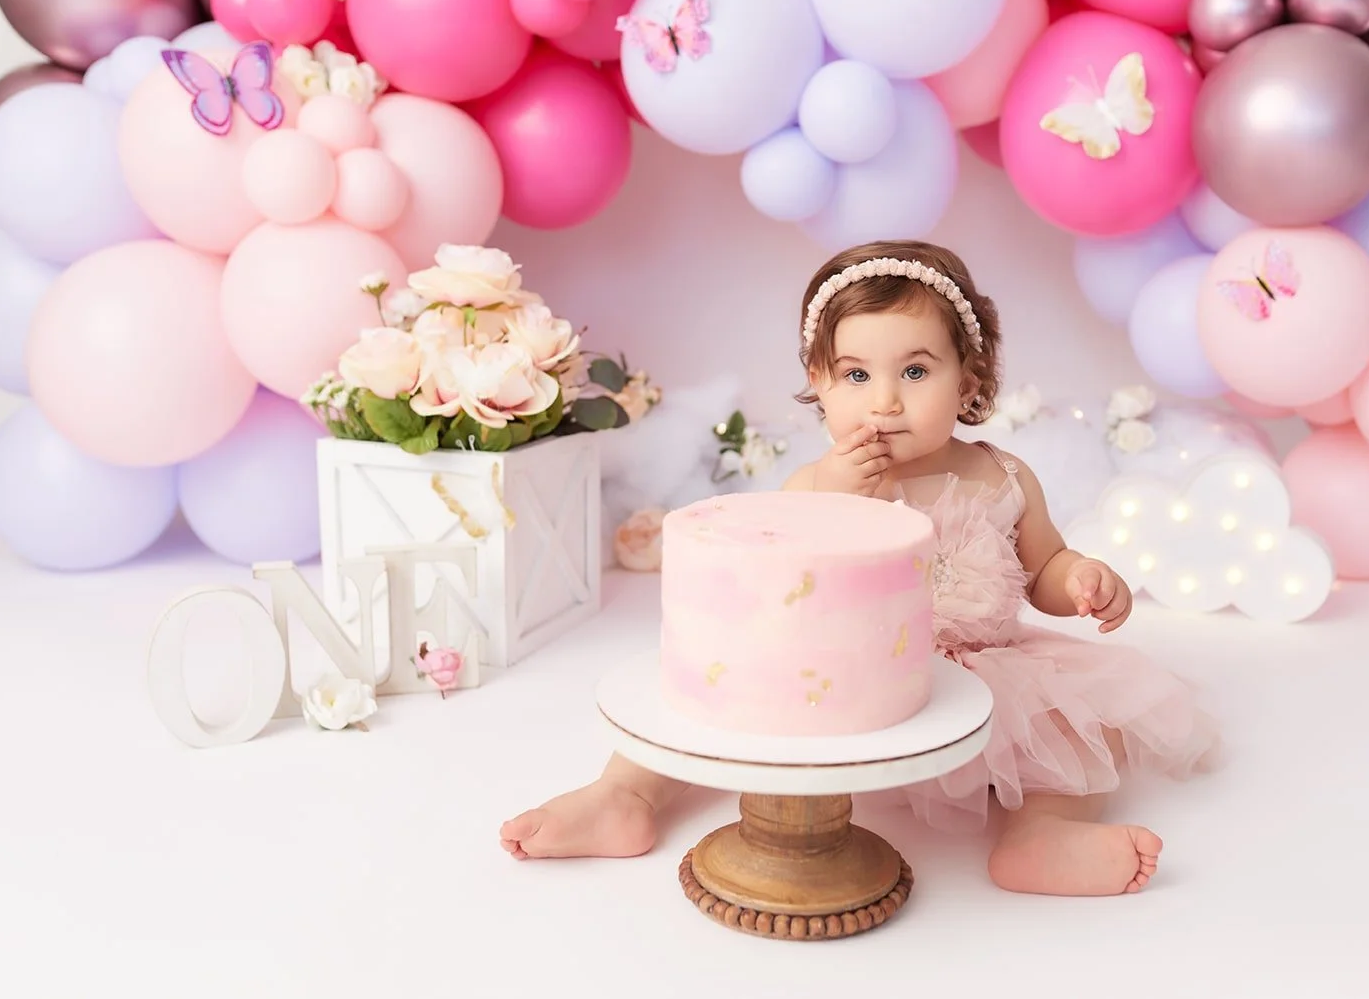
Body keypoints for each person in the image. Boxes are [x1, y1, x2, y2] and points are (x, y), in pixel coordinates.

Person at [500, 240, 1220, 896]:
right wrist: (832, 498)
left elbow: (1044, 567)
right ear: (820, 382)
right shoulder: (821, 480)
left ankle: (1038, 836)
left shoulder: (1002, 476)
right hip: (845, 674)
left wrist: (1081, 579)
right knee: (723, 690)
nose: (884, 400)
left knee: (1076, 730)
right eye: (855, 374)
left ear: (969, 382)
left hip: (982, 680)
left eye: (914, 370)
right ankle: (623, 797)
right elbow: (770, 568)